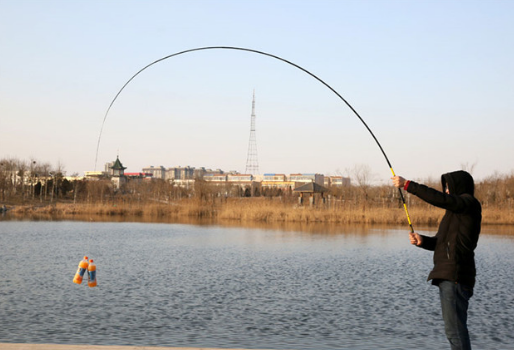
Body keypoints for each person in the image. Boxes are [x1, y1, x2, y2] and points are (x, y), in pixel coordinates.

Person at [392, 171, 481, 350]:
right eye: (445, 188)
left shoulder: (468, 204)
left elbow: (440, 199)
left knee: (455, 332)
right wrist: (422, 240)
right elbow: (440, 242)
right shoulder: (454, 214)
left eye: (448, 187)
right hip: (448, 276)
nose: (446, 191)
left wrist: (408, 185)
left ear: (459, 186)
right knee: (453, 331)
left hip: (455, 276)